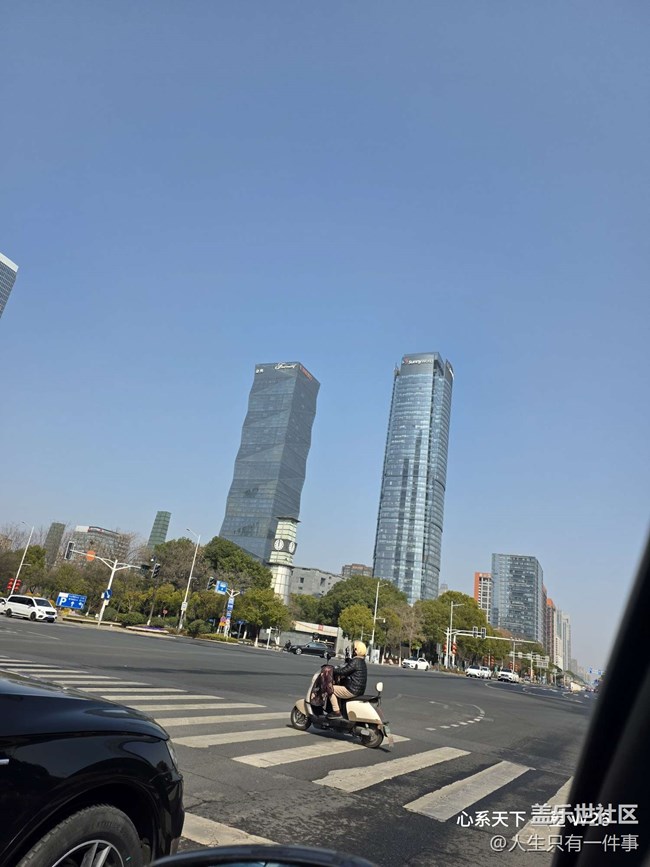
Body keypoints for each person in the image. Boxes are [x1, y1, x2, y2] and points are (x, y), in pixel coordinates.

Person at [328, 640, 367, 719]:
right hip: (358, 690)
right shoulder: (361, 661)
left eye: (353, 649)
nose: (352, 651)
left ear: (356, 650)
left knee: (330, 689)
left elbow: (343, 671)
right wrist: (348, 660)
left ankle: (336, 712)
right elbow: (350, 667)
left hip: (352, 690)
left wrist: (331, 669)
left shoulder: (356, 661)